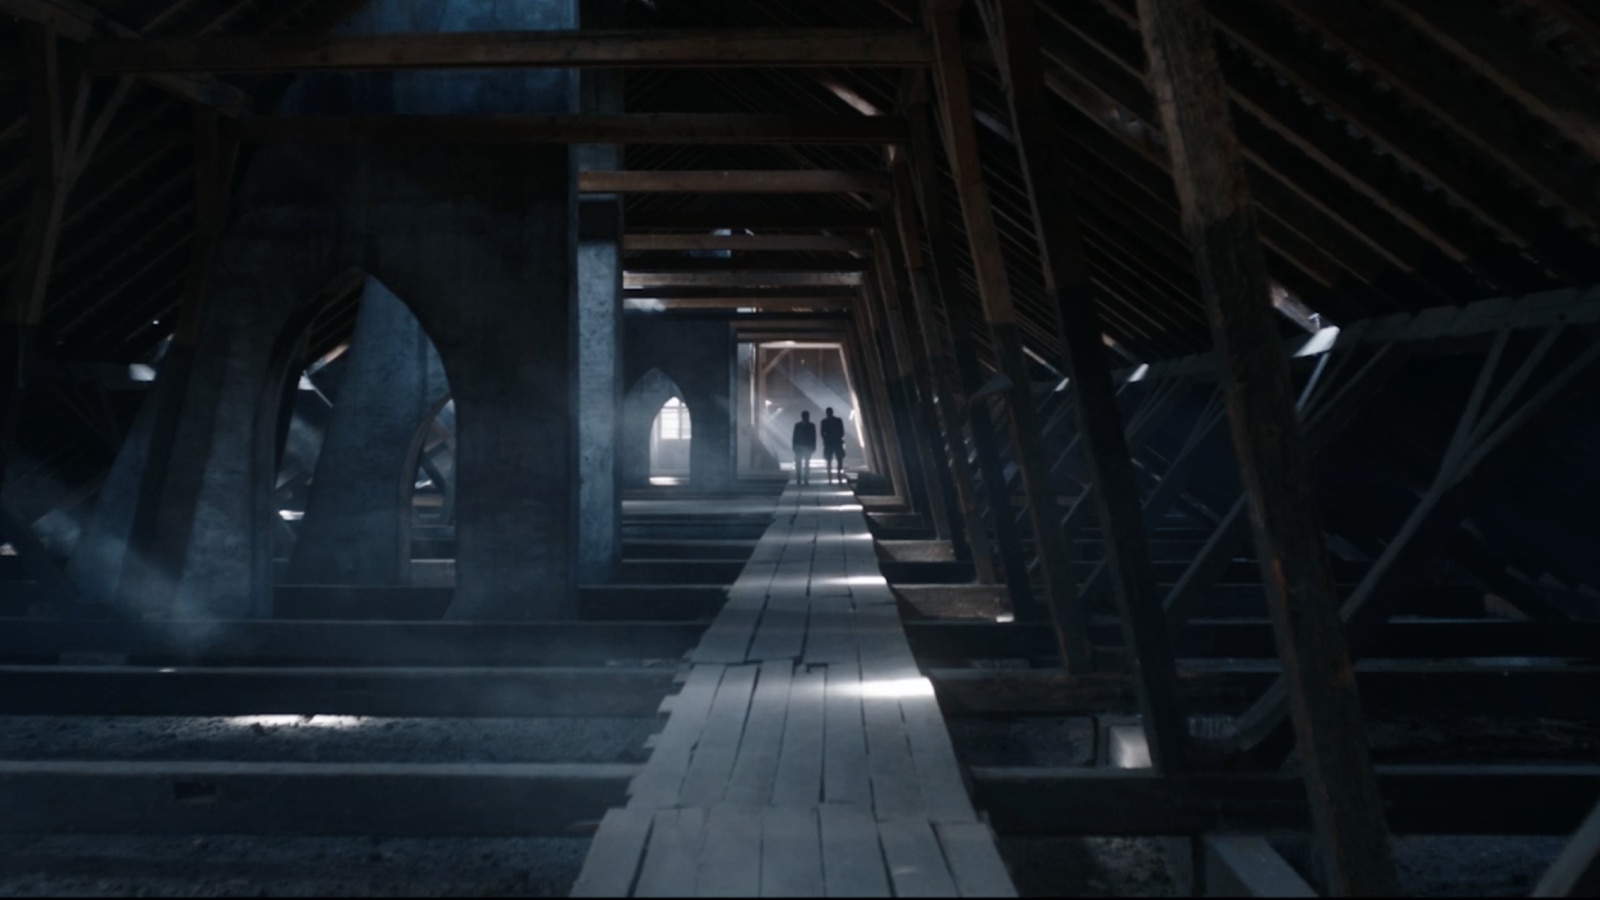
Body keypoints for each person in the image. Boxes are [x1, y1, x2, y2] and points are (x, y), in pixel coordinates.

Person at [820, 407, 846, 484]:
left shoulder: (824, 421)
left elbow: (822, 433)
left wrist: (826, 439)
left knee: (832, 461)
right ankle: (837, 477)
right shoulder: (838, 420)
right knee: (837, 460)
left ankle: (831, 478)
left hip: (829, 443)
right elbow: (842, 432)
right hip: (836, 442)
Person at [791, 411, 817, 485]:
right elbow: (794, 437)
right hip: (799, 447)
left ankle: (805, 479)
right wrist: (794, 447)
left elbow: (813, 437)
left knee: (806, 464)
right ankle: (799, 478)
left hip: (806, 447)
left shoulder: (811, 425)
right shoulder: (798, 425)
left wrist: (813, 447)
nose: (806, 418)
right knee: (799, 464)